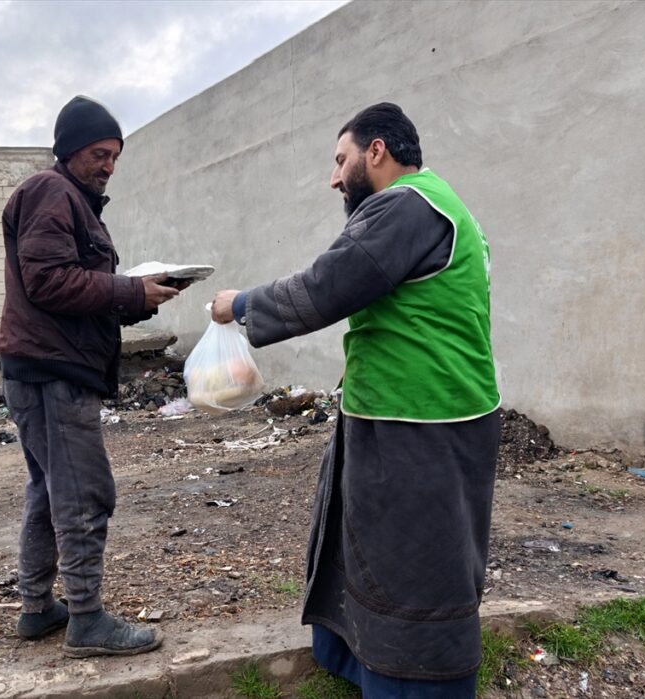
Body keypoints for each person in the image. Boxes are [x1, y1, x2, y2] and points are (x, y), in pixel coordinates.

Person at [211, 102, 500, 697]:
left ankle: (414, 684)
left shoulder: (407, 205)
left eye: (341, 160)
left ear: (377, 152)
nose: (334, 177)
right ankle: (356, 662)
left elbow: (328, 284)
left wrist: (240, 305)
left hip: (421, 422)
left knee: (413, 564)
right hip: (407, 412)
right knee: (372, 548)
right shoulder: (437, 203)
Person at [0, 95, 183, 657]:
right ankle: (86, 621)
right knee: (83, 494)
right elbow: (50, 282)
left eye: (115, 157)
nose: (108, 165)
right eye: (99, 153)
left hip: (43, 366)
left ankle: (37, 608)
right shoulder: (52, 193)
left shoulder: (70, 201)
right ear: (70, 150)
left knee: (49, 492)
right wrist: (128, 289)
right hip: (54, 373)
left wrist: (144, 297)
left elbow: (75, 289)